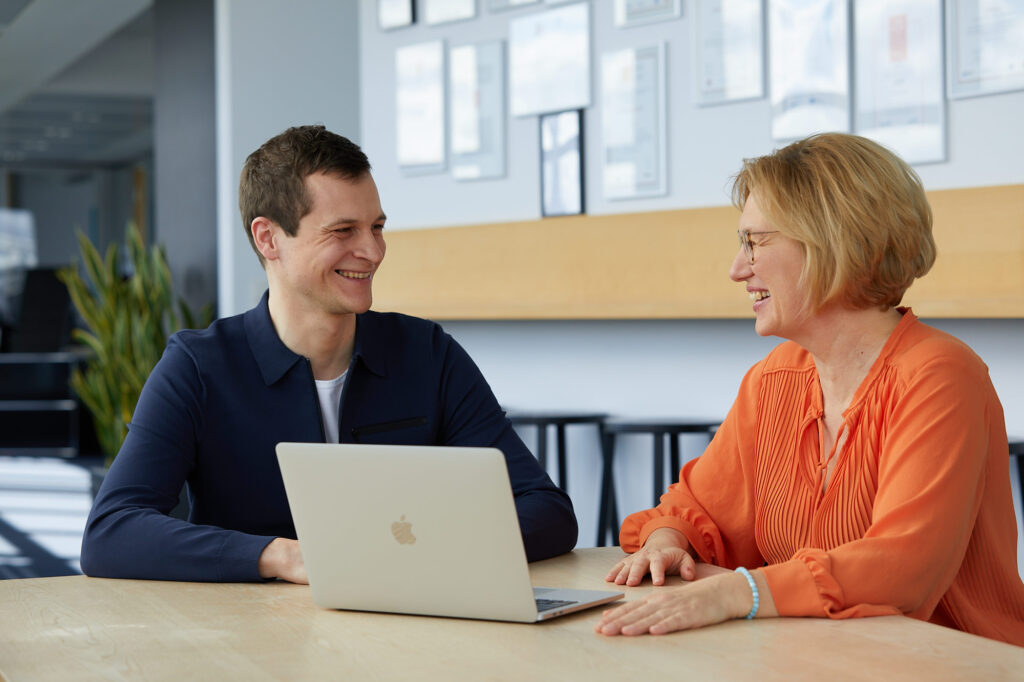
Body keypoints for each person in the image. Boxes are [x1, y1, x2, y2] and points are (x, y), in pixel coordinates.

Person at [80, 125, 577, 582]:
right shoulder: (198, 367)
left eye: (376, 227)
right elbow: (112, 532)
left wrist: (416, 548)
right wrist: (287, 557)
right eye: (343, 232)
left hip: (411, 632)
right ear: (268, 238)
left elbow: (545, 510)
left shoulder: (428, 353)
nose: (373, 251)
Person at [596, 133, 1024, 645]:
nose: (737, 269)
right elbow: (698, 508)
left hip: (948, 662)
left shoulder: (940, 376)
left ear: (830, 242)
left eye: (754, 242)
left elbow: (903, 567)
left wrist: (737, 593)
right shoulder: (774, 378)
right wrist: (668, 542)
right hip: (813, 656)